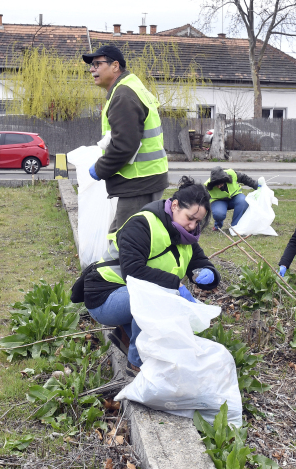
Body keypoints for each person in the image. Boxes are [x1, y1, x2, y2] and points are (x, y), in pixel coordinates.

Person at [82, 177, 220, 375]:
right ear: (174, 206)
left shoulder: (185, 236)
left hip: (130, 296)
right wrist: (176, 286)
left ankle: (127, 335)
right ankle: (137, 363)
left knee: (164, 312)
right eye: (190, 218)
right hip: (104, 297)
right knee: (157, 295)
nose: (192, 226)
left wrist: (210, 274)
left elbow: (200, 262)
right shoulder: (141, 225)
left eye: (198, 221)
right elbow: (134, 271)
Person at [83, 45, 169, 232]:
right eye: (92, 65)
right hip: (146, 178)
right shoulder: (130, 87)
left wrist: (100, 169)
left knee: (127, 241)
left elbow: (125, 146)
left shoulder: (123, 94)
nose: (92, 69)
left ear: (115, 66)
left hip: (140, 181)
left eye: (97, 64)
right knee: (135, 237)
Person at [204, 166, 260, 231]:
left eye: (220, 184)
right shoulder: (208, 185)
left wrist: (256, 185)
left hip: (235, 198)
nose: (219, 186)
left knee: (243, 201)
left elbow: (244, 178)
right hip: (218, 201)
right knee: (218, 214)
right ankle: (218, 226)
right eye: (216, 185)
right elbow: (202, 201)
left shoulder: (232, 174)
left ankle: (235, 227)